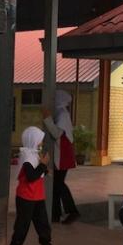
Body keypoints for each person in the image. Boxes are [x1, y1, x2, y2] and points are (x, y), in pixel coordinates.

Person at [8, 126, 57, 245]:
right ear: (33, 140)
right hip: (26, 197)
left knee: (43, 226)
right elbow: (31, 176)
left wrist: (44, 169)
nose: (41, 143)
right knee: (22, 226)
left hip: (37, 196)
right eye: (40, 140)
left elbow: (37, 171)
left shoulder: (33, 154)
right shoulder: (27, 157)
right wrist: (43, 165)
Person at [41, 90, 81, 224]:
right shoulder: (61, 113)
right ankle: (56, 215)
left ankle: (71, 211)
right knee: (57, 185)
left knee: (58, 184)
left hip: (63, 154)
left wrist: (47, 119)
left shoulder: (62, 114)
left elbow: (57, 133)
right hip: (61, 153)